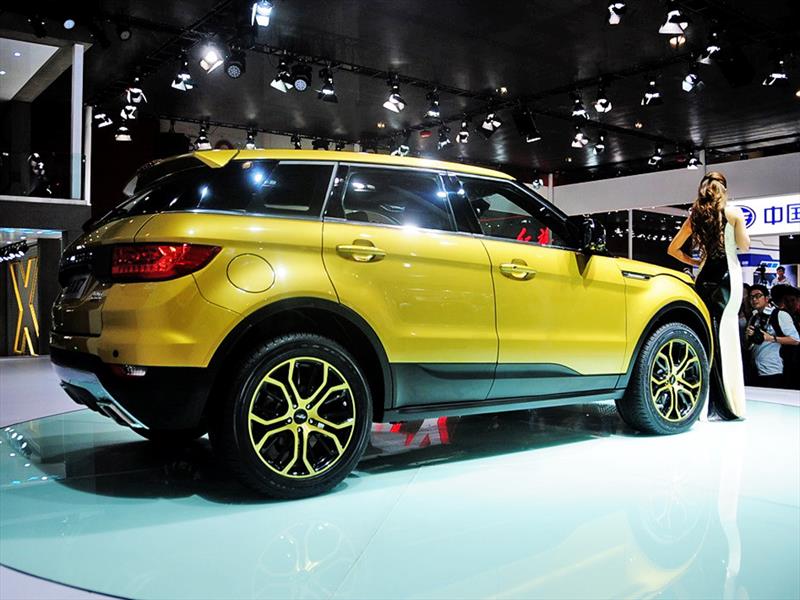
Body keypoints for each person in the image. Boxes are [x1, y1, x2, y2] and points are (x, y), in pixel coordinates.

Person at [667, 171, 749, 419]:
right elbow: (744, 246)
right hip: (727, 278)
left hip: (702, 279)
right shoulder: (734, 214)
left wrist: (694, 261)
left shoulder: (696, 217)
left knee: (707, 337)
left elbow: (672, 249)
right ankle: (730, 403)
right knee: (727, 336)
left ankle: (702, 404)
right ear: (724, 190)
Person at [744, 284, 800, 388]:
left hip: (774, 369)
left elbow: (796, 339)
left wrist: (771, 338)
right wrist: (748, 338)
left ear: (767, 298)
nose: (754, 299)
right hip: (756, 368)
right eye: (751, 297)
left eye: (758, 296)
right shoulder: (754, 318)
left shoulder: (779, 315)